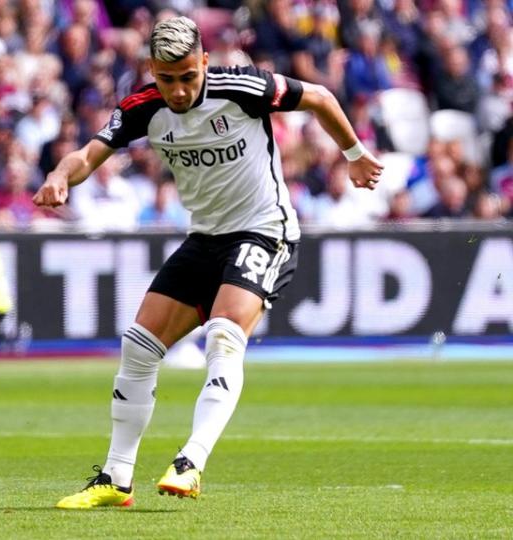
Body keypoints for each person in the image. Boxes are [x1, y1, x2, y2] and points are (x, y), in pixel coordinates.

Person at [34, 16, 383, 509]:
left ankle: (191, 461)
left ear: (203, 62)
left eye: (187, 77)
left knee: (223, 333)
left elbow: (322, 97)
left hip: (265, 231)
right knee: (138, 346)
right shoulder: (143, 106)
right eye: (166, 78)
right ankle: (116, 478)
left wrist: (354, 153)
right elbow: (89, 154)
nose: (177, 91)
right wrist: (59, 175)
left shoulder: (243, 88)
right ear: (153, 71)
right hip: (205, 238)